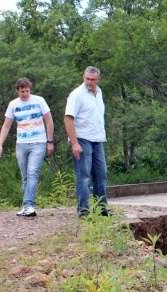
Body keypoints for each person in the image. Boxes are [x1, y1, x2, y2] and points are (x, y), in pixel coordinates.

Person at [0, 77, 54, 217]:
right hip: (21, 143)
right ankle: (26, 205)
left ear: (30, 90)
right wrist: (0, 144)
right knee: (25, 176)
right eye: (22, 91)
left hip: (38, 142)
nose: (25, 94)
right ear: (17, 91)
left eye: (27, 91)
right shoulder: (13, 105)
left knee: (33, 172)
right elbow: (6, 125)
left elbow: (49, 121)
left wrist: (50, 141)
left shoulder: (39, 101)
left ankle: (29, 206)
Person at [64, 66, 110, 217]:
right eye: (87, 79)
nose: (90, 82)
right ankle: (83, 210)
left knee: (101, 174)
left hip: (97, 139)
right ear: (83, 77)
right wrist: (75, 143)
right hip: (82, 138)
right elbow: (68, 119)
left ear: (98, 79)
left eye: (93, 80)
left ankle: (102, 208)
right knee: (84, 175)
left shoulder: (99, 92)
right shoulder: (76, 95)